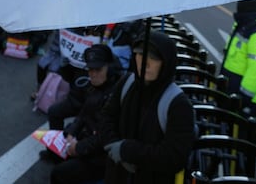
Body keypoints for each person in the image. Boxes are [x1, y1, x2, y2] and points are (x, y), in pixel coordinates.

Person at [100, 31, 195, 184]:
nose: (145, 63)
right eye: (140, 55)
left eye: (153, 58)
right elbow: (106, 117)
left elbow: (175, 156)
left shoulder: (178, 104)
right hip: (116, 174)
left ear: (166, 63)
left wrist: (129, 151)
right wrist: (114, 146)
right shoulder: (127, 82)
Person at [47, 44, 121, 184]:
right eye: (90, 69)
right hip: (85, 140)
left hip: (101, 156)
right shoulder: (95, 86)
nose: (92, 73)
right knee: (52, 149)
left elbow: (104, 136)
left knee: (58, 174)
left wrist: (79, 148)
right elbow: (83, 113)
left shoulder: (115, 96)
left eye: (98, 69)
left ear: (110, 68)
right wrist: (71, 132)